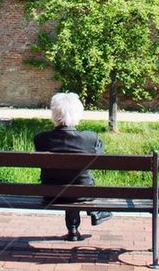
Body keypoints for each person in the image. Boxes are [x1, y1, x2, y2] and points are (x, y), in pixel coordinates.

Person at [33, 92, 113, 241]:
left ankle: (73, 230)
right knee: (80, 178)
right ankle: (97, 213)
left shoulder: (40, 139)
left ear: (54, 114)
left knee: (68, 178)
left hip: (51, 194)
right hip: (82, 194)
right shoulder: (89, 138)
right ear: (77, 114)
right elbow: (99, 154)